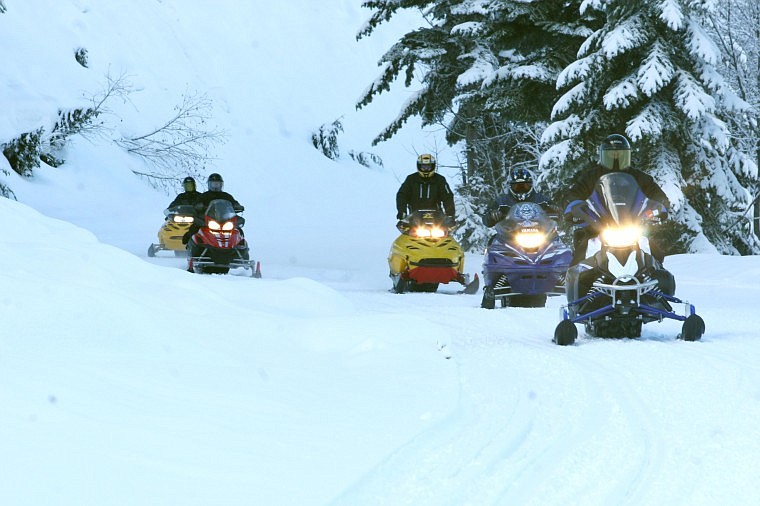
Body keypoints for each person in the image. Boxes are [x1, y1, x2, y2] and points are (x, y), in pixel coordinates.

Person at [563, 134, 670, 265]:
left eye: (620, 155)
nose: (616, 158)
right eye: (611, 155)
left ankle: (655, 281)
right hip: (598, 226)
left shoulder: (639, 177)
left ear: (628, 156)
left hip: (631, 226)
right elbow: (575, 193)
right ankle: (577, 282)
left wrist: (659, 207)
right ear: (602, 156)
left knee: (656, 256)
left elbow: (657, 195)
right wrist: (575, 207)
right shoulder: (591, 176)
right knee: (579, 259)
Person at [182, 173, 245, 245]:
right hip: (208, 218)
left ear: (221, 185)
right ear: (209, 184)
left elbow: (234, 203)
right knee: (195, 227)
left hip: (225, 219)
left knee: (238, 229)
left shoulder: (226, 196)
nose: (215, 186)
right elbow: (196, 204)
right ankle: (192, 244)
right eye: (213, 184)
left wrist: (237, 206)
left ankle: (241, 246)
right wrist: (199, 206)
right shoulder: (205, 196)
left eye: (217, 184)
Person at [482, 168, 558, 228]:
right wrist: (491, 215)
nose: (522, 189)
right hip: (510, 236)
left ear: (531, 185)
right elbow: (486, 220)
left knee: (557, 243)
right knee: (492, 244)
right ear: (511, 186)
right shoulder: (502, 202)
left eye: (525, 186)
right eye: (517, 186)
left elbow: (558, 213)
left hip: (539, 235)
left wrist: (555, 211)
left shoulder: (542, 200)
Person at [396, 154, 455, 227]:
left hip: (437, 221)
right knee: (405, 234)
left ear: (433, 166)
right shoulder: (411, 179)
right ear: (419, 166)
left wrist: (450, 215)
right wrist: (402, 211)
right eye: (423, 167)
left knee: (446, 234)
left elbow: (448, 197)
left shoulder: (440, 180)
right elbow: (402, 195)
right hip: (414, 220)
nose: (426, 169)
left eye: (428, 167)